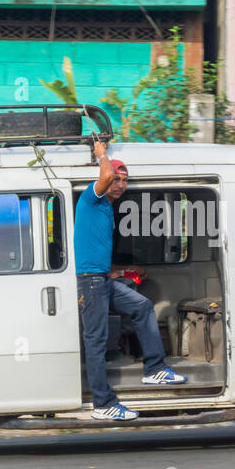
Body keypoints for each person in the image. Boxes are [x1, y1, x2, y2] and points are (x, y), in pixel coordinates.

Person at [75, 138, 186, 420]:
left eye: (125, 180)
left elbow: (96, 254)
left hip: (101, 278)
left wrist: (122, 271)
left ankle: (154, 369)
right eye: (117, 179)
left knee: (142, 306)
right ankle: (103, 404)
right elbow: (105, 175)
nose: (120, 184)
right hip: (90, 282)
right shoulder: (92, 197)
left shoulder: (107, 209)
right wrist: (101, 153)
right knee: (96, 341)